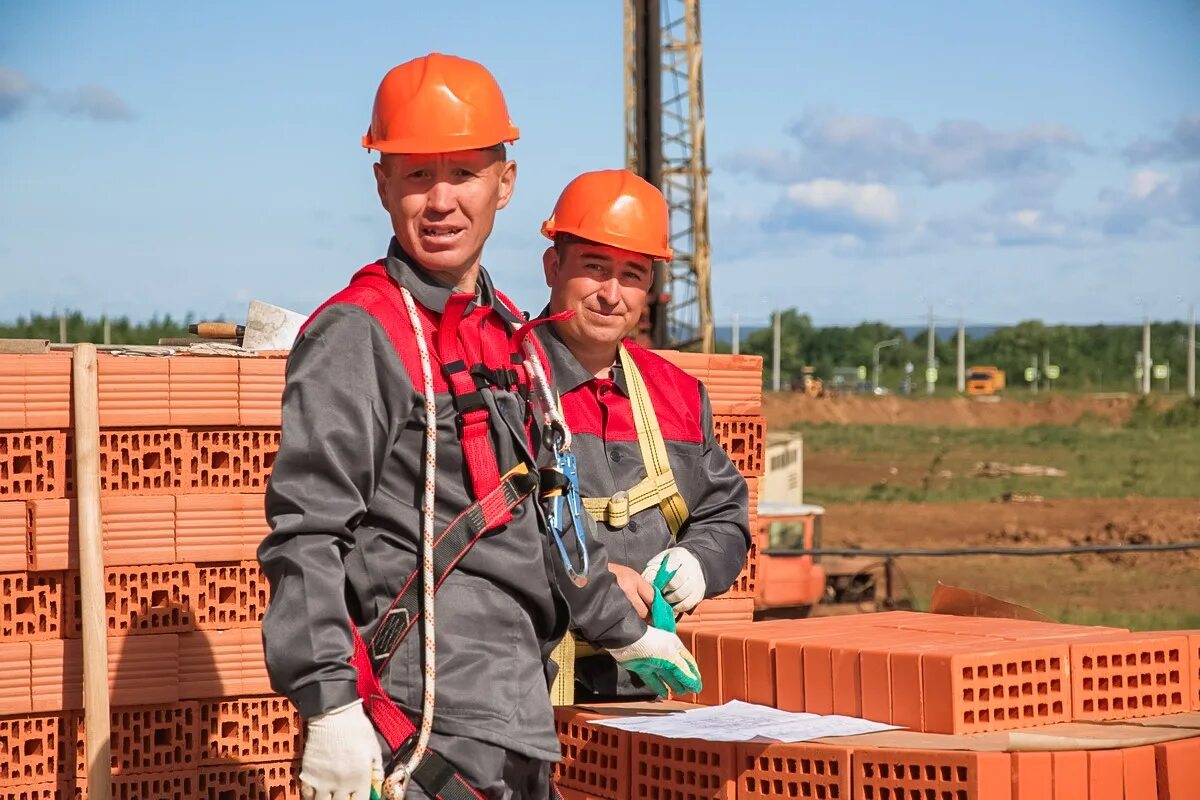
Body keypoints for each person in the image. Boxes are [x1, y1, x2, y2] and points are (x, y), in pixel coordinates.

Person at [258, 56, 699, 800]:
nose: (439, 201)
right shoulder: (363, 334)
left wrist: (620, 626)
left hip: (517, 716)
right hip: (423, 722)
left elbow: (544, 521)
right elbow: (307, 531)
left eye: (463, 173)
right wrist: (329, 706)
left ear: (506, 183)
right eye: (415, 176)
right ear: (381, 185)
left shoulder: (512, 339)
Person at [533, 169, 751, 701]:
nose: (612, 294)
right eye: (594, 268)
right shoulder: (505, 382)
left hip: (646, 690)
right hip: (527, 694)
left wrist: (699, 560)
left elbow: (724, 515)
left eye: (631, 274)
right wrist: (602, 580)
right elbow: (501, 531)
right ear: (552, 266)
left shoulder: (677, 395)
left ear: (651, 287)